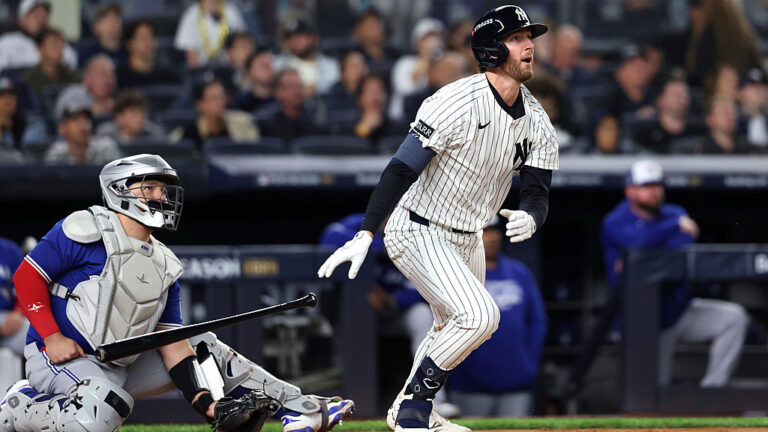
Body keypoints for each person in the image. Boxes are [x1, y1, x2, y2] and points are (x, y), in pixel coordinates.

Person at [318, 5, 557, 432]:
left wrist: (533, 216)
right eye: (518, 37)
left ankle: (411, 412)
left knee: (457, 326)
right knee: (481, 316)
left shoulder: (537, 119)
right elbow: (400, 169)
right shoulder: (454, 101)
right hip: (418, 227)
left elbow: (537, 190)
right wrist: (365, 231)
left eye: (530, 36)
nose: (530, 44)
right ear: (491, 48)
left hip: (469, 238)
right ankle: (414, 408)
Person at [0, 154, 354, 431]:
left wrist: (207, 405)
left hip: (121, 366)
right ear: (120, 188)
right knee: (102, 409)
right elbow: (27, 278)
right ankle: (21, 406)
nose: (161, 196)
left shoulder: (165, 263)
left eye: (163, 189)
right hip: (60, 357)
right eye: (151, 187)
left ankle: (300, 409)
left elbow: (174, 346)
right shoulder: (85, 226)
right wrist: (52, 336)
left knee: (204, 345)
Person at [602, 159, 748, 387]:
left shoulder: (674, 212)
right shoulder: (615, 221)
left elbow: (679, 246)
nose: (654, 192)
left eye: (657, 185)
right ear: (630, 190)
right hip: (642, 320)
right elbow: (636, 242)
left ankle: (711, 389)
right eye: (646, 186)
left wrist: (645, 255)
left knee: (733, 318)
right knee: (652, 393)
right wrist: (671, 230)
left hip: (678, 309)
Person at [448, 220, 547, 417]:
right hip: (470, 381)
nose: (491, 237)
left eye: (494, 231)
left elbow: (537, 320)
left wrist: (528, 362)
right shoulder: (456, 273)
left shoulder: (519, 272)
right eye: (483, 232)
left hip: (516, 378)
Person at [170, 78, 259, 148]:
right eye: (213, 98)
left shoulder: (243, 124)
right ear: (200, 104)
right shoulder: (186, 135)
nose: (220, 102)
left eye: (221, 97)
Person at [631, 72, 706, 154]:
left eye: (685, 94)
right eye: (675, 94)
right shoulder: (644, 132)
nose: (682, 98)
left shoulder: (698, 131)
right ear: (660, 100)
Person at [388, 17, 445, 121]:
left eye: (436, 37)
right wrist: (426, 59)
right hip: (402, 120)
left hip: (431, 119)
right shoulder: (405, 63)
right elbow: (407, 91)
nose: (433, 42)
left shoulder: (444, 64)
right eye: (427, 38)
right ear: (417, 42)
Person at [44, 92, 121, 165]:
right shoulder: (57, 153)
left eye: (85, 119)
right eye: (75, 120)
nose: (82, 125)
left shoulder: (105, 147)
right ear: (62, 128)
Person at [0, 0, 77, 72]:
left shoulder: (56, 43)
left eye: (44, 15)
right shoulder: (7, 42)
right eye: (36, 15)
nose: (41, 20)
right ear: (22, 20)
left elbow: (71, 61)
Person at [273, 18, 340, 97]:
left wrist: (316, 89)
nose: (295, 41)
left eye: (300, 36)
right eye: (291, 37)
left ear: (314, 38)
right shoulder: (277, 65)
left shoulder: (331, 66)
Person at [174, 0, 248, 68]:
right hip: (202, 68)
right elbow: (190, 53)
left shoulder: (231, 11)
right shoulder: (191, 14)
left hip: (230, 66)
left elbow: (240, 42)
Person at [258, 69, 326, 142]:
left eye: (299, 86)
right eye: (291, 86)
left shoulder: (315, 122)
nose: (297, 91)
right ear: (278, 92)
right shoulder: (266, 126)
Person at [0, 237, 29, 397]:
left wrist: (19, 312)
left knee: (40, 336)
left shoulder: (8, 249)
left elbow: (26, 286)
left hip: (9, 318)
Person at [55, 56, 118, 123]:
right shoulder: (73, 94)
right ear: (87, 78)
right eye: (101, 75)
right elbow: (69, 122)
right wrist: (93, 110)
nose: (107, 80)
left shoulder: (118, 98)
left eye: (110, 75)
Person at [116, 20, 178, 88]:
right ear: (130, 44)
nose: (149, 43)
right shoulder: (119, 78)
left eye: (152, 37)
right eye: (143, 38)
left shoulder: (167, 76)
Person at [22, 28, 80, 98]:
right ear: (41, 49)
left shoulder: (73, 77)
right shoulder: (29, 79)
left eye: (61, 45)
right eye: (54, 45)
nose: (59, 50)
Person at [95, 90, 165, 143]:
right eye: (133, 111)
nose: (140, 116)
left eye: (142, 111)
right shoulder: (106, 135)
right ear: (118, 117)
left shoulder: (155, 135)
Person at [0, 78, 47, 149]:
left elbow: (29, 153)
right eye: (2, 96)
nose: (8, 100)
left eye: (12, 95)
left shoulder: (31, 122)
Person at [77, 3, 128, 68]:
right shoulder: (87, 54)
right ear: (96, 26)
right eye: (108, 19)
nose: (113, 22)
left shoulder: (130, 51)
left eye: (117, 18)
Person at [236, 48, 276, 113]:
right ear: (249, 72)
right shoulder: (242, 104)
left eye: (271, 65)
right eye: (263, 66)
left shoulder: (284, 98)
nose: (270, 69)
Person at [737, 67, 768, 150]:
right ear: (740, 92)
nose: (759, 90)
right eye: (753, 86)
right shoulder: (733, 122)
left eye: (762, 86)